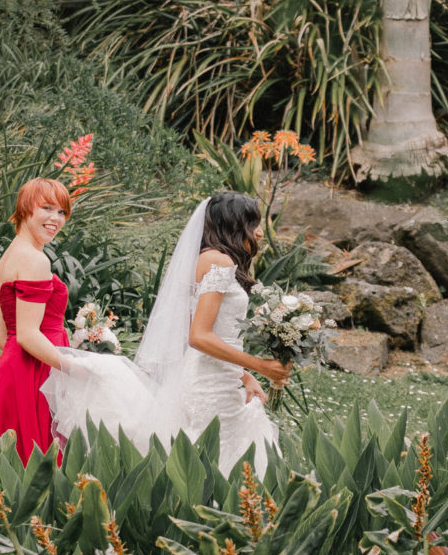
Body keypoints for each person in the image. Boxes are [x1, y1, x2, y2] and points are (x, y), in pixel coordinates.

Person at [45, 192, 289, 474]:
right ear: (236, 224)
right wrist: (259, 366)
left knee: (216, 455)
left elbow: (203, 330)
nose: (259, 231)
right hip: (209, 383)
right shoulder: (218, 262)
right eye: (254, 223)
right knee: (216, 458)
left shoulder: (211, 259)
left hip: (217, 377)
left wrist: (244, 376)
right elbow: (199, 336)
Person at [0, 178, 72, 463]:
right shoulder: (35, 261)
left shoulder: (9, 257)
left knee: (13, 473)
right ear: (24, 209)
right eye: (46, 207)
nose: (55, 218)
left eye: (61, 212)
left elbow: (2, 338)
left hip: (12, 373)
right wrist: (75, 367)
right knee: (39, 469)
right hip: (34, 377)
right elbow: (26, 335)